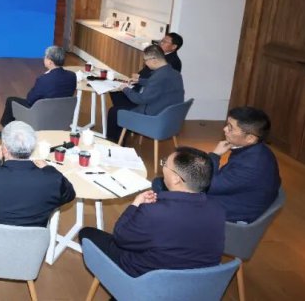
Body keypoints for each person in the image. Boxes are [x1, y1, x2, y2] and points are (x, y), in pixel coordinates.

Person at [78, 147, 225, 278]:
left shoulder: (154, 213)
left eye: (165, 164)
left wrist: (135, 204)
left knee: (87, 233)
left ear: (176, 179)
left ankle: (123, 291)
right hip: (197, 285)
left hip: (148, 280)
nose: (163, 167)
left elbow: (121, 237)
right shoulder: (218, 210)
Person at [0, 121, 75, 226]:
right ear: (32, 148)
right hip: (32, 237)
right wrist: (48, 168)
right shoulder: (53, 181)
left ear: (4, 149)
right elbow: (69, 195)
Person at [207, 106, 281, 222]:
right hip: (236, 199)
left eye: (230, 128)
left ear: (250, 138)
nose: (225, 129)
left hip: (235, 213)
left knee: (180, 195)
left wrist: (215, 155)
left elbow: (207, 186)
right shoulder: (258, 150)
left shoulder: (251, 165)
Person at [105, 44, 184, 143]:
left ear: (154, 60)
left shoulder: (158, 76)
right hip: (168, 114)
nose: (145, 63)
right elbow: (158, 84)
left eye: (146, 60)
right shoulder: (173, 73)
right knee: (121, 104)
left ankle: (114, 142)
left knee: (114, 111)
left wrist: (125, 88)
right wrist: (140, 81)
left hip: (154, 116)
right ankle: (125, 126)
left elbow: (140, 99)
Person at [0, 46, 77, 131]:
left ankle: (7, 129)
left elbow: (30, 100)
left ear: (50, 62)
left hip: (42, 114)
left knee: (10, 100)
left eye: (45, 57)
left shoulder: (44, 79)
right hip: (62, 114)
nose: (44, 58)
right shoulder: (72, 76)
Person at [110, 32, 183, 110]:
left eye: (165, 42)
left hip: (147, 96)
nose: (161, 43)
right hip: (142, 86)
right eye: (162, 40)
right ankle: (122, 110)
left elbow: (156, 85)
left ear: (174, 46)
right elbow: (156, 81)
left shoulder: (173, 62)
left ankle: (124, 111)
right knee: (116, 91)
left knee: (116, 101)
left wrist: (135, 82)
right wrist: (139, 80)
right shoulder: (161, 58)